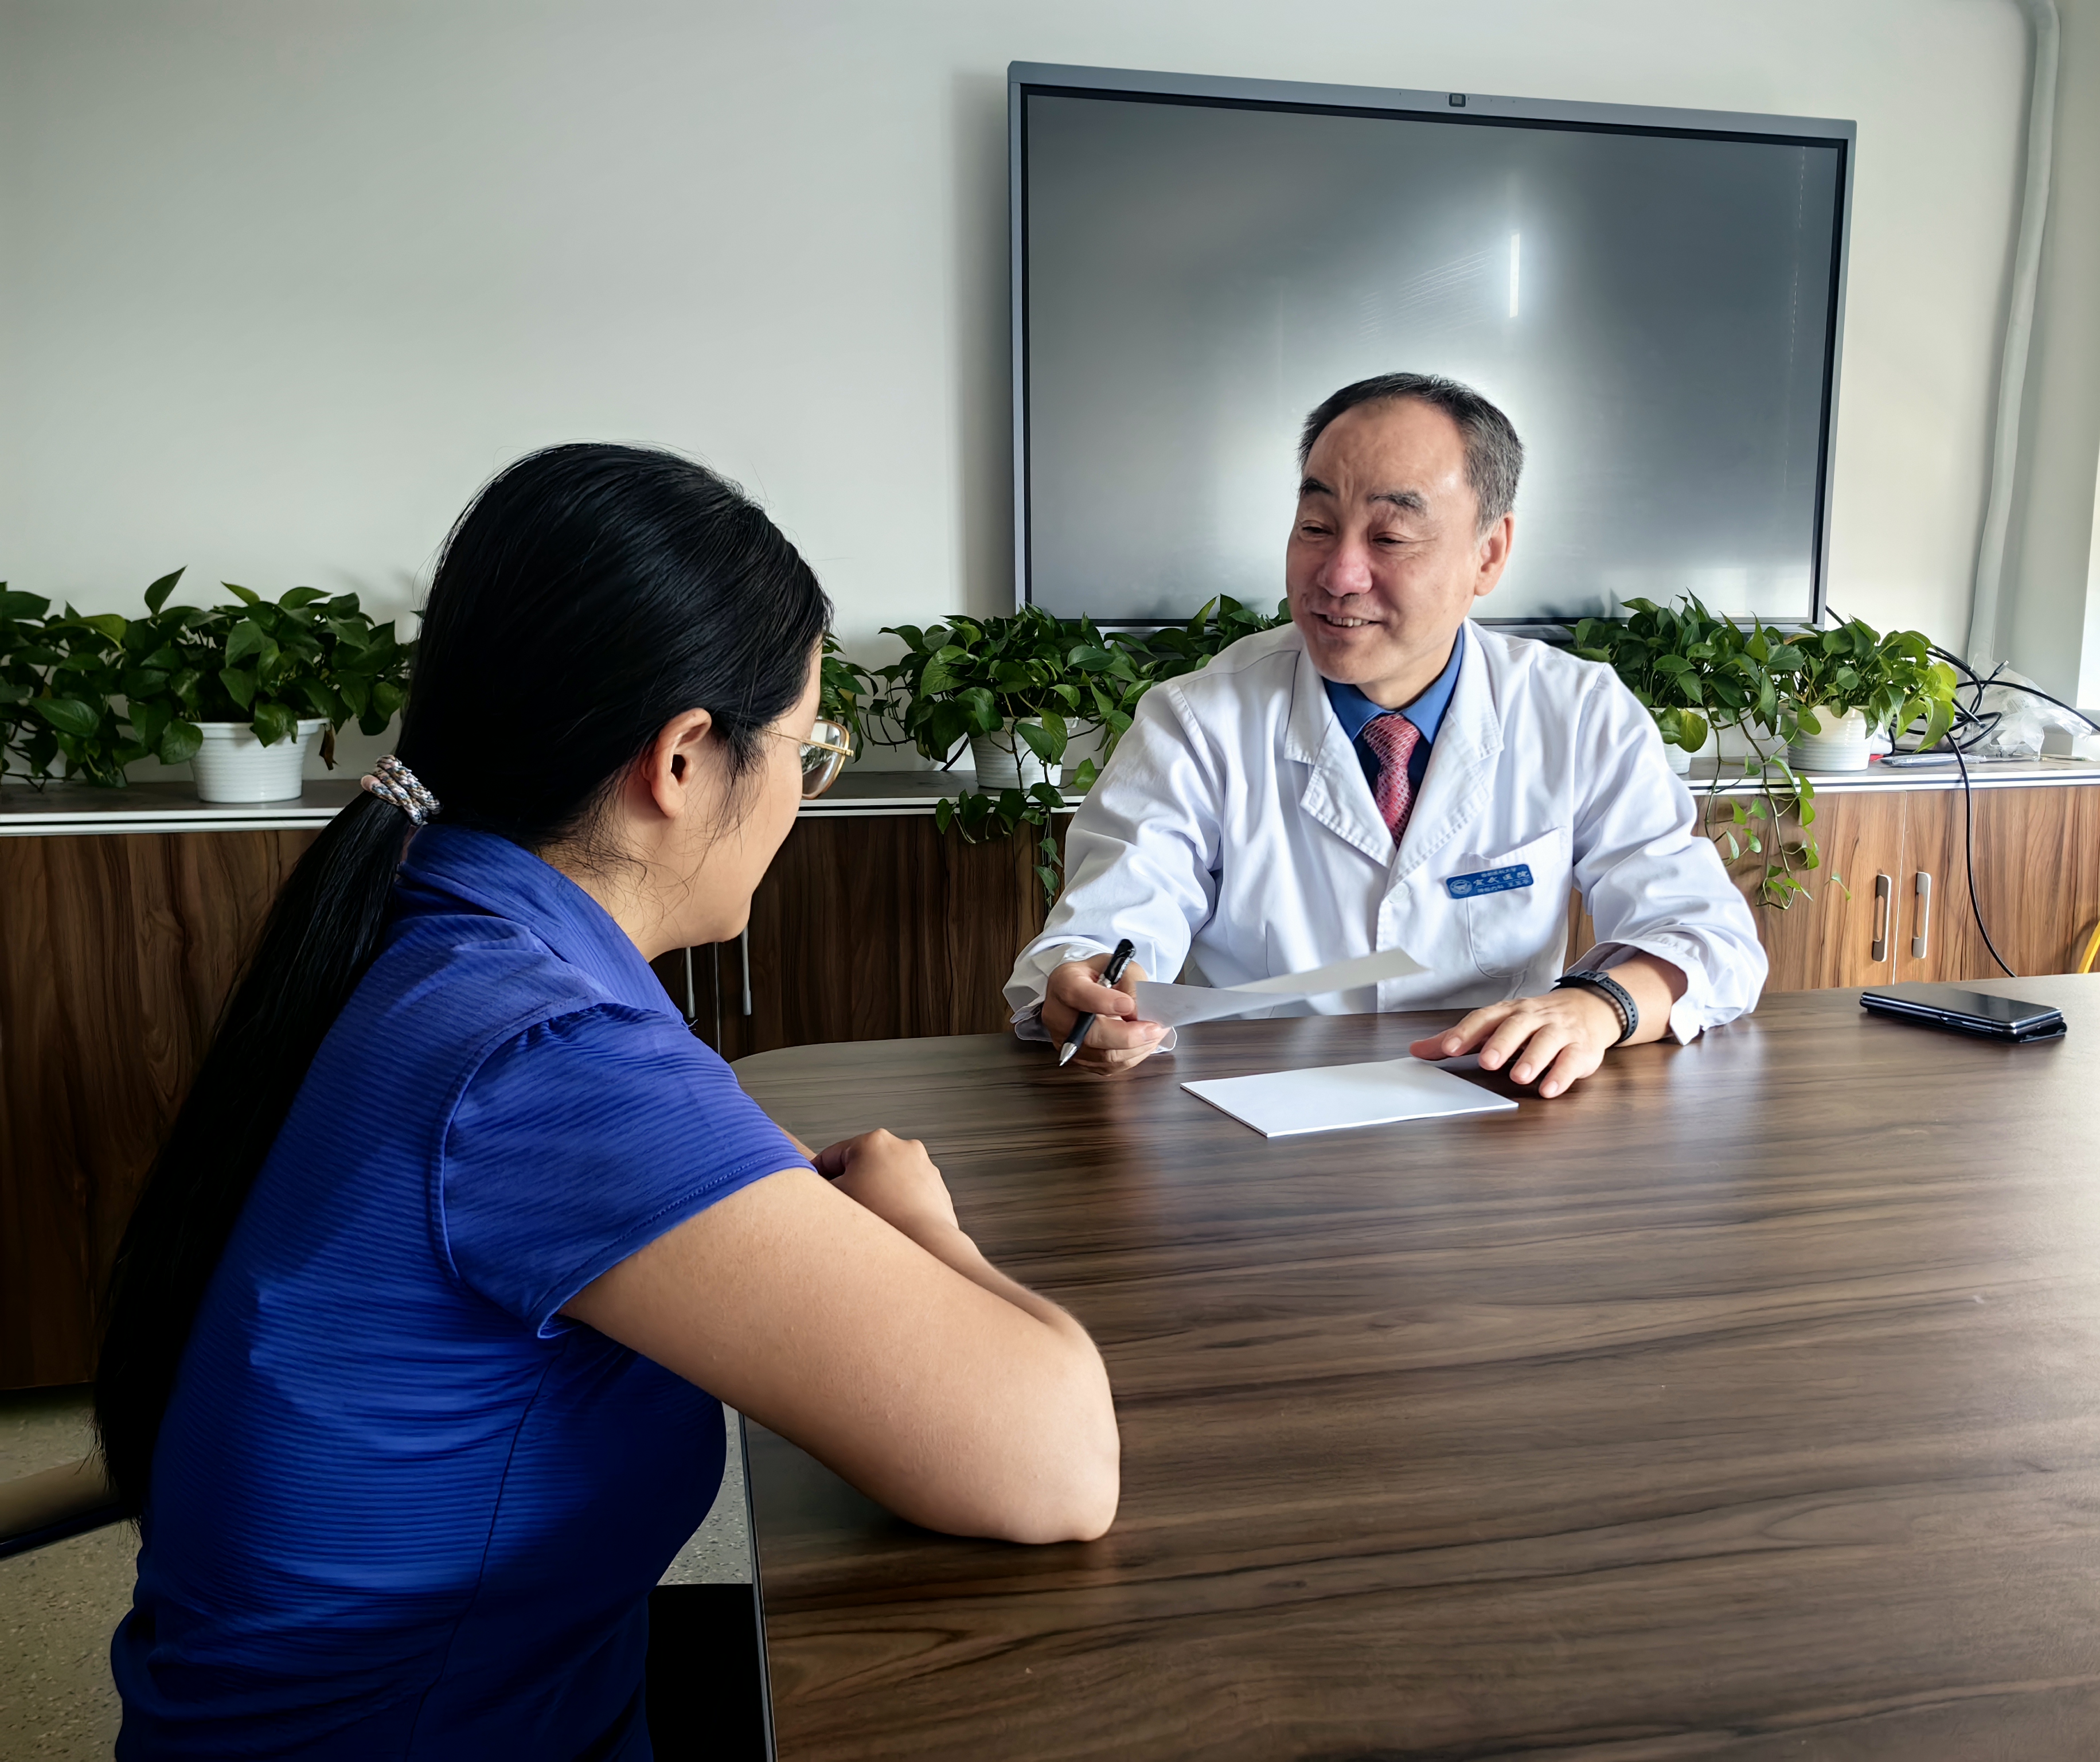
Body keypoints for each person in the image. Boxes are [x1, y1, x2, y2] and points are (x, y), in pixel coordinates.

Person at [96, 445, 1118, 1758]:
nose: (802, 793)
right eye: (809, 749)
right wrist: (923, 1228)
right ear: (683, 760)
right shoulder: (546, 1058)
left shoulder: (431, 933)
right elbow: (1053, 1466)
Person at [1006, 372, 1766, 1094]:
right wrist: (1087, 984)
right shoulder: (1199, 720)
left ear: (1489, 554)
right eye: (1315, 527)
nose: (1338, 575)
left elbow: (1706, 937)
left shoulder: (1578, 713)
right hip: (1251, 1117)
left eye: (1391, 537)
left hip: (1493, 1116)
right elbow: (1111, 924)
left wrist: (1601, 1007)